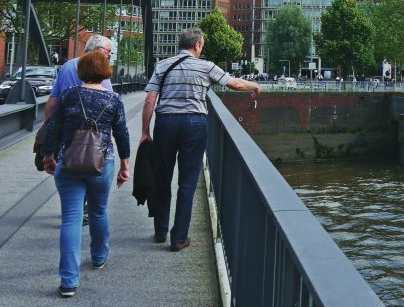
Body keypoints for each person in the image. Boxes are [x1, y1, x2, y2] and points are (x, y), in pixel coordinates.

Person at [140, 28, 260, 252]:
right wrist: (255, 86)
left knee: (163, 177)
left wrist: (145, 131)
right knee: (187, 183)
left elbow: (149, 100)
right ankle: (179, 238)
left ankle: (160, 230)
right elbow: (234, 84)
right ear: (197, 45)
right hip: (194, 125)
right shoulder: (206, 67)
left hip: (165, 123)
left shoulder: (163, 65)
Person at [42, 51, 130, 299]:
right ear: (106, 72)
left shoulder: (70, 95)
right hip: (102, 164)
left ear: (80, 70)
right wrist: (125, 165)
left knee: (71, 217)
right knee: (99, 210)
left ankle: (68, 281)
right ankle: (99, 257)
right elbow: (122, 134)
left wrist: (49, 156)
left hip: (68, 162)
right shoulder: (113, 99)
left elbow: (54, 128)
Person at [43, 34, 113, 226]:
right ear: (97, 50)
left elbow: (53, 100)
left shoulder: (67, 67)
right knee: (91, 164)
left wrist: (46, 128)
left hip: (68, 130)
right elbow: (110, 102)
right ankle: (84, 210)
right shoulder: (100, 71)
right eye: (109, 52)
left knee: (73, 164)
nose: (109, 56)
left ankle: (74, 208)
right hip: (93, 132)